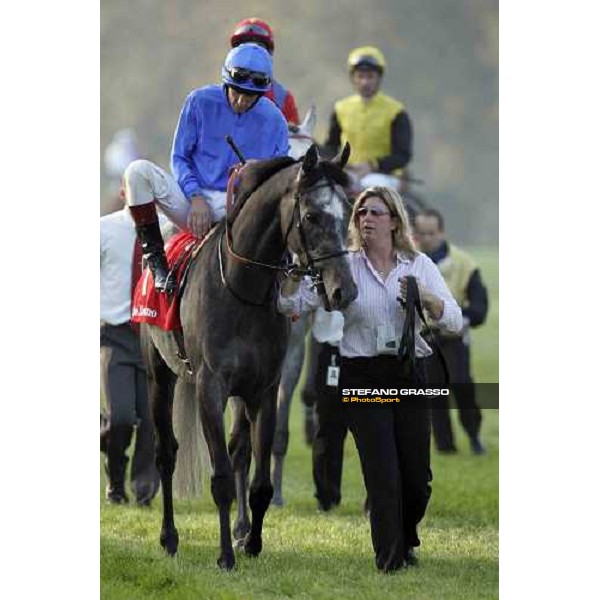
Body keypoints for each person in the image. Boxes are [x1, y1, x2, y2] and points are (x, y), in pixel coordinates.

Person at [279, 187, 462, 572]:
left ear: (395, 221)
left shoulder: (419, 265)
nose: (366, 219)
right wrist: (294, 272)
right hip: (362, 374)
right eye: (361, 212)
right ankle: (389, 560)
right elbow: (290, 306)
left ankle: (406, 537)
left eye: (376, 212)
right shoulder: (344, 264)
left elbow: (454, 320)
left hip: (410, 373)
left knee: (416, 481)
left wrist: (426, 297)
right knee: (382, 475)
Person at [123, 43, 289, 294]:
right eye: (237, 91)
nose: (242, 100)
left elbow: (281, 177)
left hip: (239, 211)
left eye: (250, 96)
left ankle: (293, 285)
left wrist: (259, 170)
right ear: (226, 82)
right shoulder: (199, 101)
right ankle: (157, 263)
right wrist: (196, 197)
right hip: (192, 204)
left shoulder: (275, 119)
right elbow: (179, 157)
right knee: (137, 171)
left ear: (262, 93)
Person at [100, 185, 162, 506]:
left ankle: (143, 489)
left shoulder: (164, 228)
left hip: (151, 337)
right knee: (122, 417)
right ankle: (115, 480)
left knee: (151, 419)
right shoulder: (103, 229)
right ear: (123, 192)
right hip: (114, 335)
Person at [414, 208, 489, 455]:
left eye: (431, 233)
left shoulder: (464, 264)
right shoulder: (410, 262)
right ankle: (445, 446)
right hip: (425, 338)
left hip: (455, 337)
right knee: (434, 393)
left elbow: (479, 308)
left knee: (461, 386)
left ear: (442, 232)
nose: (426, 238)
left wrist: (456, 319)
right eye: (421, 233)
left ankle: (474, 434)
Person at [322, 46, 413, 187]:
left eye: (370, 77)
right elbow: (331, 147)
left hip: (384, 176)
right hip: (349, 173)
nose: (365, 82)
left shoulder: (396, 111)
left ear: (379, 78)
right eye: (360, 76)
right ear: (353, 78)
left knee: (369, 184)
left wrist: (372, 166)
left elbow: (402, 155)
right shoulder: (340, 108)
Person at [230, 17, 299, 125]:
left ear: (269, 53)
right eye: (243, 47)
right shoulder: (216, 96)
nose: (250, 54)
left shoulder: (282, 98)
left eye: (258, 48)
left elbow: (295, 138)